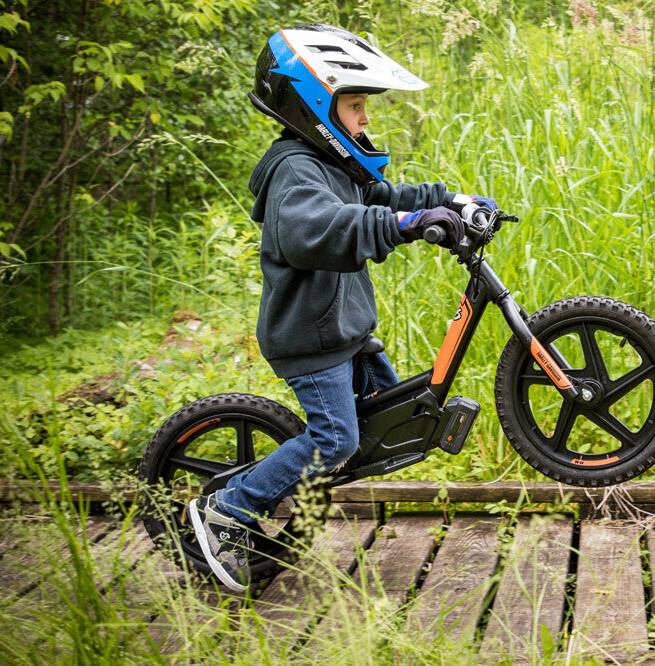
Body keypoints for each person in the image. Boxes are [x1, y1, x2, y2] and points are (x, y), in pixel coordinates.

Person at [188, 24, 497, 591]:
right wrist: (404, 226)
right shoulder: (294, 172)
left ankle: (328, 465)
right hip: (311, 339)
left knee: (386, 416)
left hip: (344, 331)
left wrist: (446, 200)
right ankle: (229, 509)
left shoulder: (334, 167)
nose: (365, 117)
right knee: (337, 441)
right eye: (354, 105)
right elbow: (320, 230)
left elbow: (384, 197)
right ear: (313, 104)